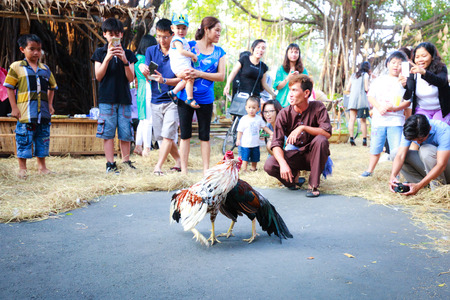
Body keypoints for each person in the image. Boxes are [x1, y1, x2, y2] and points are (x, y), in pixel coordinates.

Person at [264, 74, 332, 197]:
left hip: (314, 155)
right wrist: (283, 164)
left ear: (306, 93)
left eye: (294, 90)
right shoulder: (284, 113)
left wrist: (303, 127)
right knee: (270, 164)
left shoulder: (318, 107)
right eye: (290, 90)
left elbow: (326, 133)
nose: (290, 94)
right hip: (294, 155)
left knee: (321, 140)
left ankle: (313, 185)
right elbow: (276, 143)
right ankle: (292, 182)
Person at [176, 16, 226, 175]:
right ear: (206, 29)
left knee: (205, 135)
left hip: (206, 99)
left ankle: (206, 171)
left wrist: (199, 73)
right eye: (216, 30)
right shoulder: (188, 46)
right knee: (185, 135)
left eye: (220, 31)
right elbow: (178, 66)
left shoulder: (220, 52)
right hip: (185, 97)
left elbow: (221, 76)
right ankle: (183, 171)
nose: (219, 34)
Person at [3, 34, 58, 178]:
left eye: (38, 49)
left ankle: (42, 167)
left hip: (43, 113)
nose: (36, 53)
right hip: (25, 112)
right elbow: (9, 87)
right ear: (22, 49)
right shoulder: (16, 67)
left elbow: (52, 87)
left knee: (42, 139)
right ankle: (22, 169)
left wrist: (50, 105)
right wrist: (13, 107)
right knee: (24, 139)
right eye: (32, 49)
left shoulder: (45, 69)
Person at [91, 18, 138, 174]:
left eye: (117, 33)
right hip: (106, 99)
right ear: (104, 34)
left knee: (126, 132)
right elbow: (98, 76)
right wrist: (107, 58)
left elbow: (131, 78)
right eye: (110, 34)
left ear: (122, 35)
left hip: (124, 99)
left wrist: (124, 60)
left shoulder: (129, 54)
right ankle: (110, 163)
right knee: (108, 132)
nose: (114, 37)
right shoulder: (99, 53)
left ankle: (126, 161)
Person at [140, 18, 182, 175]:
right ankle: (179, 160)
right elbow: (150, 77)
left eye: (165, 36)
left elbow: (184, 78)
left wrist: (165, 80)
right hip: (156, 99)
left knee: (168, 134)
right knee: (161, 136)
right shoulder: (151, 51)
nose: (161, 40)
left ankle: (158, 166)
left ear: (172, 35)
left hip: (173, 98)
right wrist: (146, 73)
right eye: (158, 36)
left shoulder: (178, 52)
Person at [360, 51, 411, 177]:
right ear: (388, 64)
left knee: (396, 149)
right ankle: (370, 170)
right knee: (376, 147)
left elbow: (408, 102)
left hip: (396, 121)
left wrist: (394, 108)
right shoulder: (379, 80)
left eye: (400, 64)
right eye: (393, 62)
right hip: (379, 120)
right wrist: (379, 107)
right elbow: (370, 96)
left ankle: (397, 174)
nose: (396, 66)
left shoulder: (406, 82)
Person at [389, 114, 450, 195]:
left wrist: (419, 186)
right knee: (395, 153)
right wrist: (393, 175)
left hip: (446, 168)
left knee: (425, 150)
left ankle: (438, 189)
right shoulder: (410, 129)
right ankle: (419, 185)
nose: (418, 142)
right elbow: (400, 156)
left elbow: (441, 165)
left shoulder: (444, 130)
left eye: (421, 139)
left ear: (430, 128)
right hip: (430, 167)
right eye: (414, 140)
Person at [402, 42, 450, 125]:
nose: (420, 59)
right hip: (422, 109)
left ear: (432, 57)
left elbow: (441, 82)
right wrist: (404, 86)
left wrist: (424, 72)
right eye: (417, 57)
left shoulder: (441, 68)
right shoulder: (412, 72)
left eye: (424, 56)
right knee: (422, 131)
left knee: (438, 128)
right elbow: (408, 96)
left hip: (441, 110)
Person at [166, 13, 200, 109]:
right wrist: (193, 55)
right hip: (179, 66)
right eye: (178, 28)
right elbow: (181, 51)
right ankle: (189, 98)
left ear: (187, 28)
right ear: (172, 28)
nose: (181, 30)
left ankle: (173, 92)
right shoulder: (176, 39)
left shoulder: (183, 39)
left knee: (185, 80)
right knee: (190, 79)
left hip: (182, 66)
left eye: (184, 28)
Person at [134, 35, 157, 157]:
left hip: (140, 91)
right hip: (148, 90)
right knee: (149, 120)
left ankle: (138, 146)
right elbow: (151, 77)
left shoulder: (137, 58)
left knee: (142, 120)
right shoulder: (146, 60)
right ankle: (147, 148)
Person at [236, 97, 273, 172]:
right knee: (245, 157)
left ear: (258, 109)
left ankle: (253, 168)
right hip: (245, 144)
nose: (251, 110)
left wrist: (271, 133)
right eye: (249, 107)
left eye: (253, 108)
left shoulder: (259, 119)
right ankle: (244, 169)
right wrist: (238, 139)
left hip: (255, 143)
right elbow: (240, 131)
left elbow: (264, 127)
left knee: (255, 157)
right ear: (246, 108)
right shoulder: (244, 119)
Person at [273, 43, 308, 108]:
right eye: (291, 52)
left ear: (299, 54)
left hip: (298, 105)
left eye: (296, 52)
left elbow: (307, 87)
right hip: (282, 103)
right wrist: (288, 78)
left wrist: (299, 79)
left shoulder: (303, 70)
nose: (294, 54)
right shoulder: (281, 69)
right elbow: (277, 87)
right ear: (287, 54)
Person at [345, 61, 371, 146]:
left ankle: (352, 139)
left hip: (352, 100)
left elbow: (347, 88)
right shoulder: (365, 75)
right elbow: (366, 88)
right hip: (362, 101)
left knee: (352, 119)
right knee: (363, 120)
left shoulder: (353, 75)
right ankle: (364, 140)